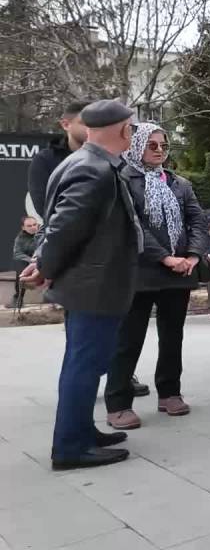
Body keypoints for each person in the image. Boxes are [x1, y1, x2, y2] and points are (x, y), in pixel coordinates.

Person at [21, 100, 140, 470]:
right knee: (84, 365)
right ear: (123, 131)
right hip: (94, 284)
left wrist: (45, 264)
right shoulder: (94, 169)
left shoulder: (85, 162)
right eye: (132, 129)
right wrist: (45, 267)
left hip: (89, 282)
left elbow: (58, 222)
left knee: (83, 362)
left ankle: (82, 430)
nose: (133, 134)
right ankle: (71, 446)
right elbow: (64, 228)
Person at [103, 123, 206, 430]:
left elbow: (197, 221)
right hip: (140, 272)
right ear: (135, 146)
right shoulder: (123, 179)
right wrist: (165, 257)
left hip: (180, 271)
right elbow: (131, 225)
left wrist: (192, 256)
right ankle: (118, 403)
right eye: (152, 145)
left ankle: (169, 392)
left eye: (164, 145)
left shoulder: (178, 183)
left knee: (173, 336)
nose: (160, 150)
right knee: (129, 339)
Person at [26, 100, 89, 221]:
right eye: (85, 123)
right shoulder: (45, 160)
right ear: (66, 125)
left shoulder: (110, 157)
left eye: (96, 124)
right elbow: (45, 208)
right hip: (66, 235)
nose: (91, 128)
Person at [11, 216, 39, 307]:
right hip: (28, 261)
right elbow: (17, 253)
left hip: (43, 259)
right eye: (29, 226)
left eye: (35, 225)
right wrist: (31, 260)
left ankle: (55, 299)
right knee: (20, 267)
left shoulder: (44, 234)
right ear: (23, 227)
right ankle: (18, 298)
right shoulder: (19, 238)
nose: (33, 227)